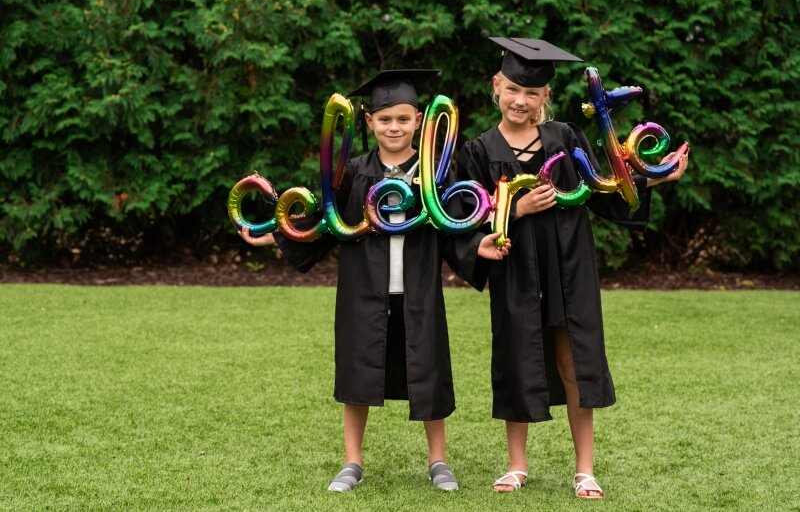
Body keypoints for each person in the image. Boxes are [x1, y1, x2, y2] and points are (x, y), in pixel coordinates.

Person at [239, 69, 508, 492]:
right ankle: (352, 462)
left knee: (430, 368)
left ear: (419, 120)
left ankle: (439, 461)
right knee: (356, 371)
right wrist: (273, 234)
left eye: (403, 119)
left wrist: (478, 247)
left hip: (417, 289)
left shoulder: (434, 176)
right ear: (369, 123)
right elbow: (322, 224)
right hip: (363, 291)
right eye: (385, 120)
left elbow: (453, 226)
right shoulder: (351, 173)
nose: (394, 127)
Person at [457, 38, 689, 499]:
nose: (520, 101)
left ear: (545, 97)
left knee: (573, 362)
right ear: (496, 87)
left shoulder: (564, 137)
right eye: (512, 90)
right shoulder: (478, 150)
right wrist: (517, 210)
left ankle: (585, 469)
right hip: (516, 269)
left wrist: (649, 177)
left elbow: (604, 189)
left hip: (568, 266)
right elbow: (466, 213)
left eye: (532, 92)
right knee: (517, 360)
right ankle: (516, 466)